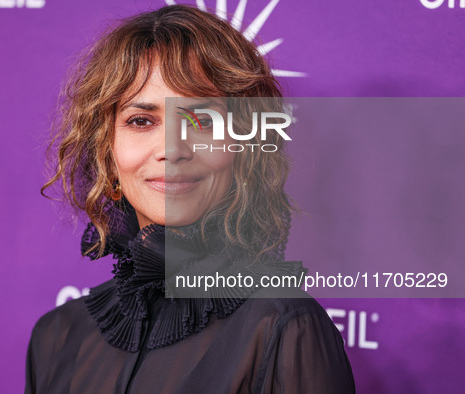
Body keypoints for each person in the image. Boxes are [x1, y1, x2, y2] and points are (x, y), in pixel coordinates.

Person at [25, 5, 355, 394]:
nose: (172, 149)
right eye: (141, 121)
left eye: (201, 120)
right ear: (107, 152)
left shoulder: (285, 329)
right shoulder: (57, 337)